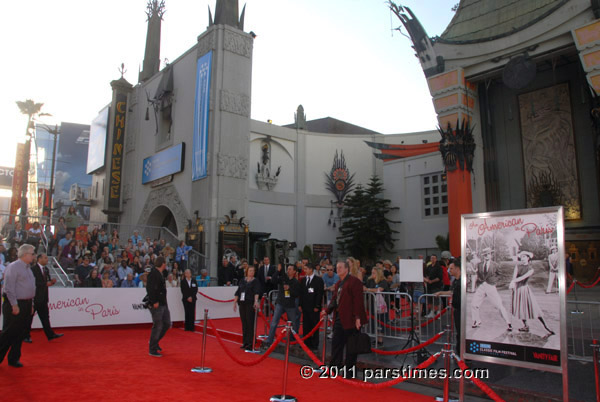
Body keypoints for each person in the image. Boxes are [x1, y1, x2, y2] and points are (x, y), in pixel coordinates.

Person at [323, 261, 367, 369]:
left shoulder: (354, 282)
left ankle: (349, 371)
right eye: (337, 268)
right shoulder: (338, 283)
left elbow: (358, 301)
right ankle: (335, 367)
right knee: (336, 344)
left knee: (351, 348)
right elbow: (335, 300)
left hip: (351, 319)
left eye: (340, 267)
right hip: (339, 318)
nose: (338, 270)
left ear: (346, 269)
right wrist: (327, 310)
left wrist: (357, 317)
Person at [0, 244, 36, 367]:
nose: (34, 256)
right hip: (14, 303)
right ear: (25, 254)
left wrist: (30, 303)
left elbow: (30, 287)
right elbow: (9, 288)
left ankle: (14, 358)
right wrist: (14, 305)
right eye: (32, 253)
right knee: (9, 332)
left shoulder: (28, 268)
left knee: (20, 333)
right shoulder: (13, 267)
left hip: (25, 303)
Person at [510, 251, 554, 335]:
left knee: (534, 308)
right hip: (517, 289)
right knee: (520, 309)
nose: (522, 258)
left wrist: (513, 281)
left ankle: (546, 326)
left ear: (528, 258)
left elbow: (522, 277)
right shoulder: (517, 266)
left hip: (524, 289)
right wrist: (513, 285)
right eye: (521, 257)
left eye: (524, 257)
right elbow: (514, 277)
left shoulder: (531, 269)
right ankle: (525, 326)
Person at [24, 253, 64, 343]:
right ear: (39, 259)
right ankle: (25, 336)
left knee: (45, 317)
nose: (47, 260)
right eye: (45, 258)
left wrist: (51, 282)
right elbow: (32, 283)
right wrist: (46, 284)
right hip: (34, 298)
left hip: (43, 298)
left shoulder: (46, 269)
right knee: (29, 318)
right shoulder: (33, 269)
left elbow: (47, 281)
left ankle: (50, 335)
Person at [471, 247, 512, 331]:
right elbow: (478, 274)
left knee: (499, 305)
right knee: (474, 304)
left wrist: (494, 281)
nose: (486, 256)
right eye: (485, 254)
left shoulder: (495, 265)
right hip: (482, 286)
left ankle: (508, 323)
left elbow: (500, 275)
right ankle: (476, 321)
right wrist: (479, 281)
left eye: (488, 254)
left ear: (491, 255)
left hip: (491, 286)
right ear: (483, 256)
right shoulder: (479, 264)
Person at [261, 264, 301, 349]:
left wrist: (289, 289)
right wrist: (278, 271)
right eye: (288, 269)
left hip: (290, 305)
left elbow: (297, 294)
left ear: (294, 271)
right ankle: (269, 340)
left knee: (293, 324)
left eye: (290, 269)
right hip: (280, 303)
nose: (288, 270)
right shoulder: (283, 278)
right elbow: (273, 280)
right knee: (274, 322)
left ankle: (293, 339)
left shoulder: (296, 282)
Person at [435, 258, 461, 354]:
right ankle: (459, 351)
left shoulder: (462, 281)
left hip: (461, 310)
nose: (449, 271)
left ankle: (460, 352)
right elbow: (451, 292)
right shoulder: (455, 281)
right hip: (457, 310)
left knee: (461, 332)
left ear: (457, 269)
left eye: (451, 269)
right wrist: (441, 292)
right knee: (458, 332)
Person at [146, 257, 171, 357]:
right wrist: (154, 301)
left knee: (166, 323)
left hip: (163, 302)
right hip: (157, 303)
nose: (166, 265)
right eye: (165, 263)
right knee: (158, 325)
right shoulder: (153, 273)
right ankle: (152, 348)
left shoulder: (161, 273)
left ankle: (155, 342)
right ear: (162, 263)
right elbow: (150, 288)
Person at [233, 265, 261, 350]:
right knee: (244, 323)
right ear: (247, 271)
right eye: (250, 271)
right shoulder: (242, 280)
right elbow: (238, 292)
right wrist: (234, 302)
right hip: (242, 303)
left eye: (253, 271)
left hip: (250, 303)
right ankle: (245, 342)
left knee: (250, 323)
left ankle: (251, 342)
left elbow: (256, 292)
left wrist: (256, 301)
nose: (252, 272)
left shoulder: (255, 281)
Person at [299, 263, 324, 350]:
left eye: (306, 269)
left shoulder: (318, 280)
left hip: (314, 307)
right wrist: (300, 304)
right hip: (305, 307)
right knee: (306, 325)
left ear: (311, 269)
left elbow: (319, 294)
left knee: (314, 326)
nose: (304, 271)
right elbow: (301, 293)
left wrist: (317, 305)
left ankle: (314, 343)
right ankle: (306, 342)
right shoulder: (303, 280)